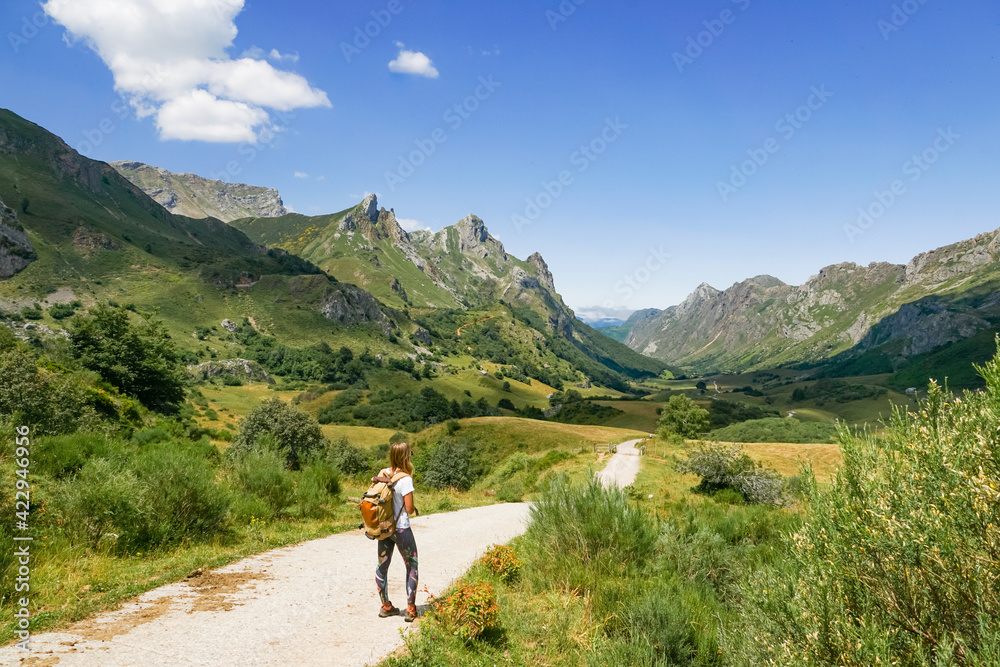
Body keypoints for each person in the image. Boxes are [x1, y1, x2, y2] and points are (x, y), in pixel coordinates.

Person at [374, 441, 420, 622]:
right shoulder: (405, 479)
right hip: (401, 528)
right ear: (406, 456)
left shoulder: (382, 474)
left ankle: (386, 606)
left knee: (382, 566)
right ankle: (410, 609)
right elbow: (409, 509)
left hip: (384, 528)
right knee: (412, 565)